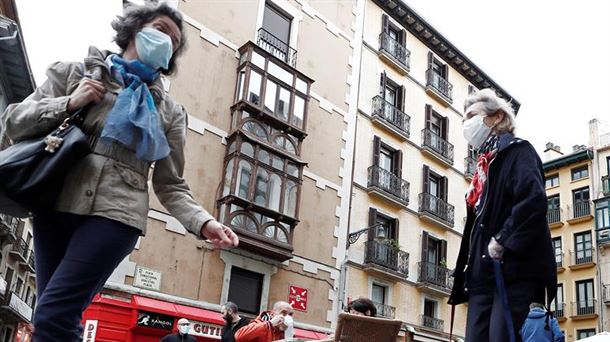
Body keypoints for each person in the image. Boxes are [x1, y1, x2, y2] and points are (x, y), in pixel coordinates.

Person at [1, 4, 239, 341]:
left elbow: (170, 183)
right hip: (54, 202)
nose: (166, 40)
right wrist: (69, 103)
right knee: (52, 316)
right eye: (160, 28)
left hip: (117, 214)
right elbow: (13, 122)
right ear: (134, 29)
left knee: (56, 313)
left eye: (174, 40)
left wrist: (204, 222)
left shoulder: (169, 113)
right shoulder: (74, 73)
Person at [448, 89, 557, 342]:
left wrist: (502, 240)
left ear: (496, 117)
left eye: (472, 115)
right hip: (480, 277)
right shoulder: (484, 168)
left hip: (513, 272)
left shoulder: (520, 152)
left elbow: (533, 201)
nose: (466, 124)